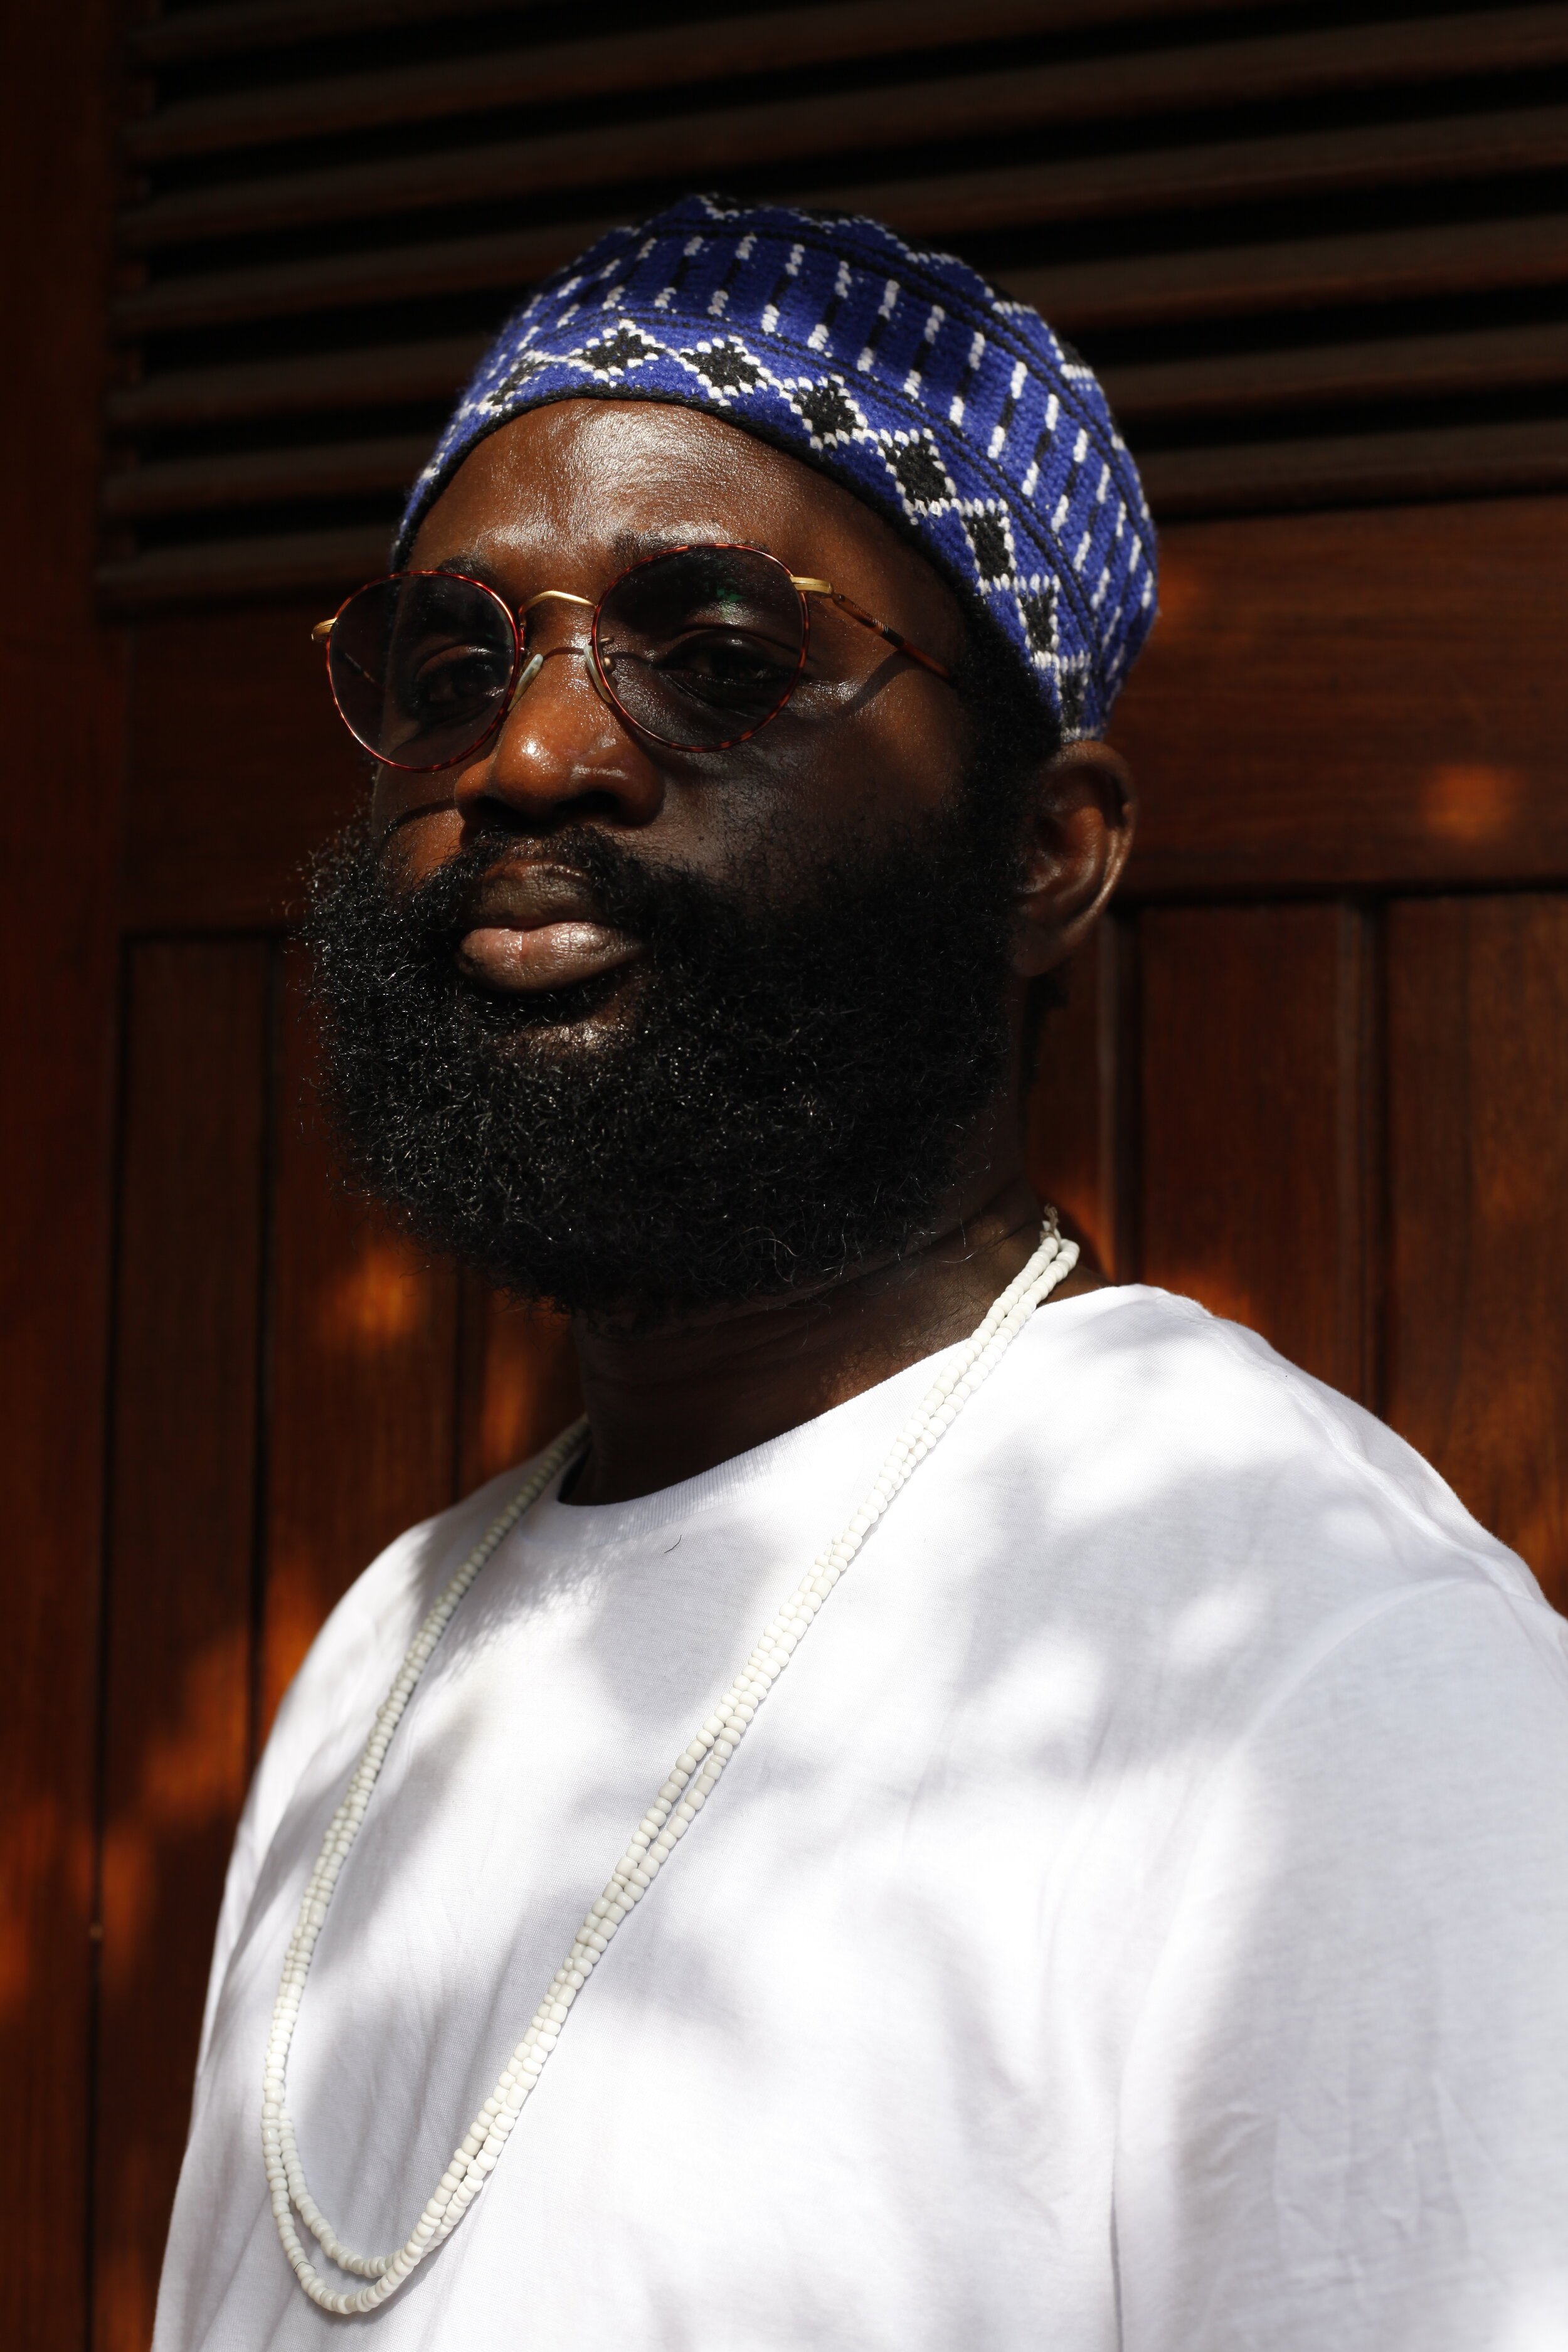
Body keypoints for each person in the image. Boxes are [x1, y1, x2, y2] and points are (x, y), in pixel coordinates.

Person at [153, 195, 1568, 2351]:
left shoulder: (1314, 1663)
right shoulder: (389, 1637)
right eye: (453, 672)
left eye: (719, 662)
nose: (530, 756)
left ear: (1043, 854)